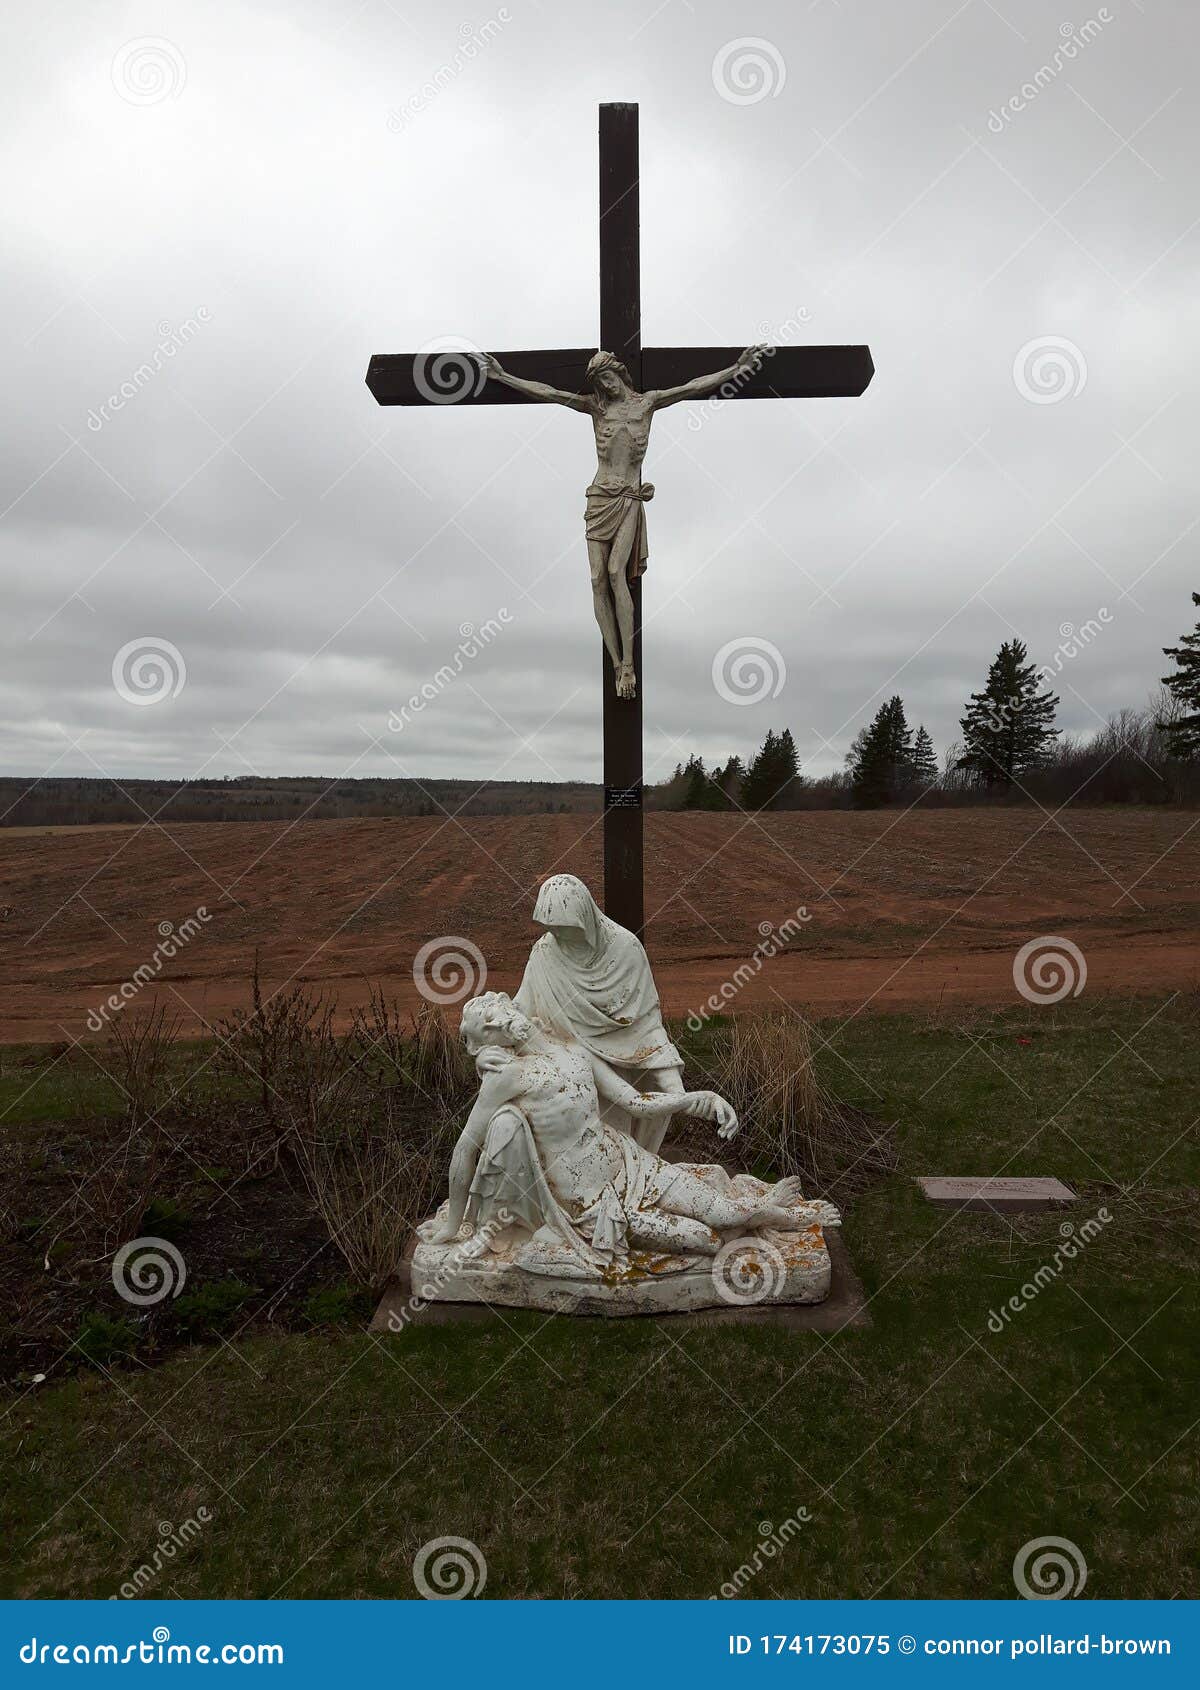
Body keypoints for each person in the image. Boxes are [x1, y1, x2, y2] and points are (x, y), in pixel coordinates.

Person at [420, 992, 811, 1275]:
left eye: (493, 1004)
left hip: (629, 1163)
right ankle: (766, 1216)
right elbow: (465, 1150)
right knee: (706, 1240)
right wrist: (454, 1225)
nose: (496, 1013)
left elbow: (635, 1101)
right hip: (593, 1203)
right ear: (488, 1042)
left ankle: (774, 1213)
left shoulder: (572, 1049)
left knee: (721, 1212)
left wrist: (697, 1097)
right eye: (485, 1022)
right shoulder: (507, 1076)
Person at [480, 344, 768, 698]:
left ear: (619, 372)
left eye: (608, 376)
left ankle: (628, 664)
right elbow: (550, 393)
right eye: (600, 380)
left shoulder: (647, 403)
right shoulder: (596, 409)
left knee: (617, 572)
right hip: (599, 496)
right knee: (597, 578)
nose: (607, 384)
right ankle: (617, 664)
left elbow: (693, 386)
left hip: (628, 499)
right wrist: (502, 375)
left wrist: (735, 369)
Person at [511, 874, 682, 1153]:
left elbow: (646, 1023)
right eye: (550, 927)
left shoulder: (625, 950)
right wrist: (496, 1019)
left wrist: (670, 1077)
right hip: (562, 1074)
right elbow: (523, 1006)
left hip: (615, 1070)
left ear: (584, 920)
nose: (556, 934)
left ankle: (631, 1170)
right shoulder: (544, 952)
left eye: (564, 928)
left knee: (615, 1150)